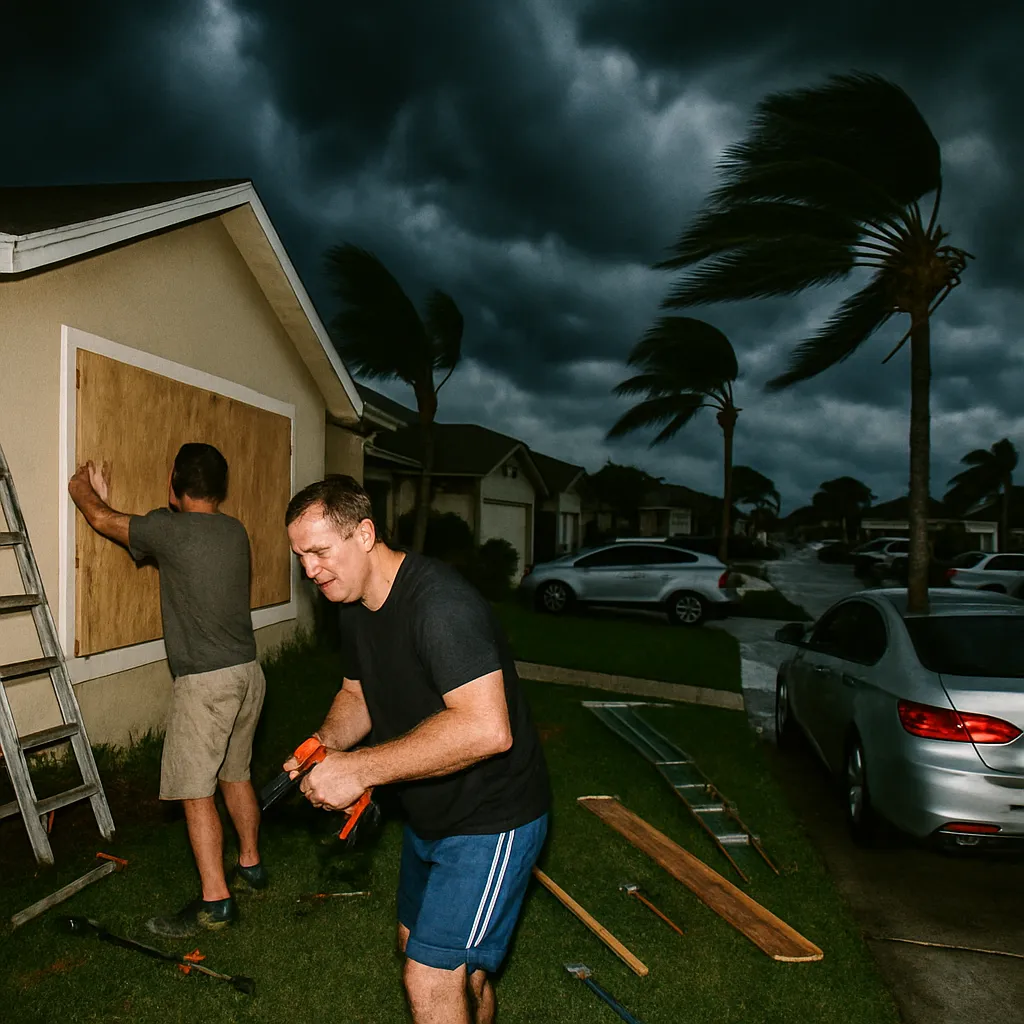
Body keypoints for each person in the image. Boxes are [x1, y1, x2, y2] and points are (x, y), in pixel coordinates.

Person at [284, 475, 549, 1024]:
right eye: (300, 556)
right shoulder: (353, 602)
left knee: (430, 978)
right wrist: (326, 745)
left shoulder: (440, 606)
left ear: (363, 533)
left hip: (493, 819)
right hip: (429, 817)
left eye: (318, 552)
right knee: (437, 961)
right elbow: (356, 693)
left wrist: (358, 770)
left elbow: (486, 729)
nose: (310, 570)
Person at [68, 443, 267, 937]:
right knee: (235, 775)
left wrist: (81, 488)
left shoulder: (169, 531)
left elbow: (100, 518)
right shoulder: (233, 530)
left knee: (194, 792)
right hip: (247, 675)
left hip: (206, 686)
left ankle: (215, 903)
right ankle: (250, 867)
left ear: (174, 483)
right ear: (219, 488)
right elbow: (158, 526)